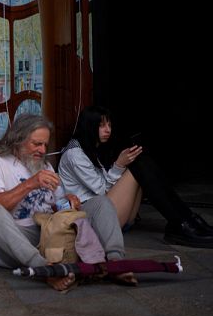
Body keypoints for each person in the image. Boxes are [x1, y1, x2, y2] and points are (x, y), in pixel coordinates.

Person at [0, 113, 128, 290]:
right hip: (19, 240)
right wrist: (30, 184)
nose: (43, 150)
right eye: (37, 144)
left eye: (45, 144)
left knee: (100, 203)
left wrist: (69, 201)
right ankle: (44, 268)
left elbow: (57, 206)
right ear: (18, 140)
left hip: (51, 233)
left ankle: (115, 262)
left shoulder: (45, 166)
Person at [59, 106, 213, 248]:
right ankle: (181, 223)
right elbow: (101, 190)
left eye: (109, 125)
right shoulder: (75, 154)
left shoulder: (90, 148)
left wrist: (120, 165)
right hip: (96, 220)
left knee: (140, 163)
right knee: (138, 166)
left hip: (110, 216)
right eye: (101, 125)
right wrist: (119, 165)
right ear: (89, 126)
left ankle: (186, 219)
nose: (108, 130)